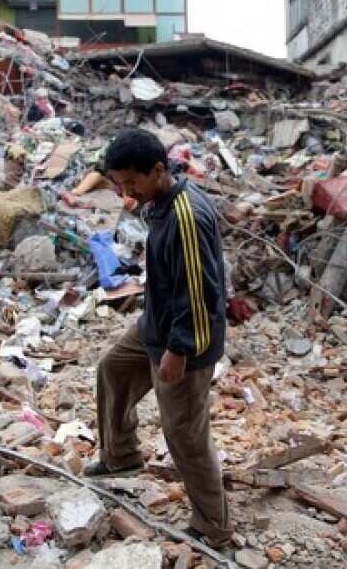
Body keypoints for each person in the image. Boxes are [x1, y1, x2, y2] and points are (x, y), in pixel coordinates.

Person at [85, 128, 232, 548]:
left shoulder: (186, 215)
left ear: (157, 170)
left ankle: (214, 526)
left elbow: (202, 290)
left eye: (131, 183)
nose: (124, 191)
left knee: (184, 433)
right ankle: (121, 456)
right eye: (118, 183)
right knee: (113, 369)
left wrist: (179, 350)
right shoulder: (160, 201)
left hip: (187, 338)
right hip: (158, 323)